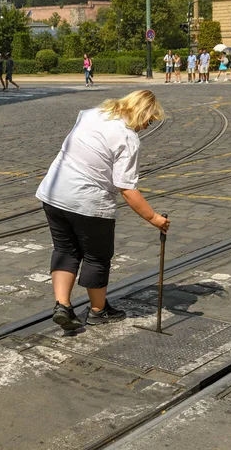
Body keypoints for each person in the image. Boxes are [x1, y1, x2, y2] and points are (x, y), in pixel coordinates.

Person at [36, 90, 170, 331]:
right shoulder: (128, 139)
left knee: (65, 249)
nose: (146, 127)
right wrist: (154, 218)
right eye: (149, 121)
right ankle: (98, 310)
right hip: (89, 201)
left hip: (54, 192)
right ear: (142, 114)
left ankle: (62, 306)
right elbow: (127, 188)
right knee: (97, 256)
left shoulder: (92, 114)